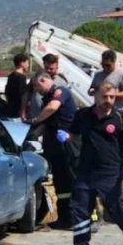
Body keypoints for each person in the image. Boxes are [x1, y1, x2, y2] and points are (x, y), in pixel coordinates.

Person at [59, 83, 123, 245]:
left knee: (118, 211)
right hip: (85, 171)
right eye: (105, 96)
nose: (108, 101)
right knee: (80, 210)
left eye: (112, 97)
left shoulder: (121, 118)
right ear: (95, 95)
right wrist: (66, 137)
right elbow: (74, 134)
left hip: (110, 173)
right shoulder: (83, 115)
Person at [31, 73, 79, 230]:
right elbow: (46, 125)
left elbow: (52, 108)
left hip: (69, 143)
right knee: (61, 183)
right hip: (55, 146)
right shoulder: (46, 99)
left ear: (44, 81)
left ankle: (82, 218)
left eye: (37, 86)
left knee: (74, 181)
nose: (36, 90)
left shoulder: (60, 91)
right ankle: (65, 218)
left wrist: (36, 119)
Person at [5, 53, 30, 120]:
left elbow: (7, 92)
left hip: (10, 109)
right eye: (27, 63)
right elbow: (22, 95)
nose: (28, 65)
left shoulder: (11, 76)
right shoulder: (21, 77)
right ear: (22, 63)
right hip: (18, 112)